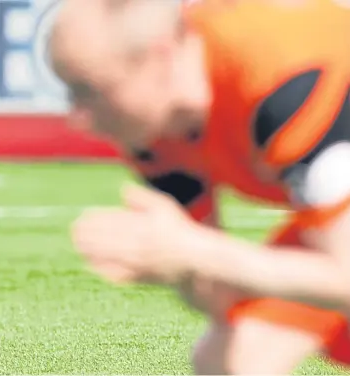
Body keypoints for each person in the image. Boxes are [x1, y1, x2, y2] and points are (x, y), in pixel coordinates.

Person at [49, 0, 350, 373]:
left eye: (89, 90)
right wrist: (180, 265)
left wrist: (194, 251)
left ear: (159, 57)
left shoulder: (285, 82)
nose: (79, 119)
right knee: (230, 361)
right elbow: (220, 295)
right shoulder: (153, 137)